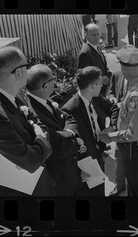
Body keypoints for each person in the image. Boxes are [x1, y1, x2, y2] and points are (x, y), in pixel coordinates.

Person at [0, 46, 56, 196]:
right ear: (18, 73)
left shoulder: (15, 96)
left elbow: (40, 123)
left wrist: (39, 135)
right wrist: (41, 138)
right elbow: (30, 160)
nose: (28, 70)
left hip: (40, 185)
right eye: (27, 66)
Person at [99, 46, 138, 196]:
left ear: (125, 68)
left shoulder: (136, 94)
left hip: (135, 149)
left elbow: (135, 133)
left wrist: (110, 137)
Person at [25, 64, 83, 196]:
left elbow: (69, 118)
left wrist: (69, 132)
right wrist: (77, 141)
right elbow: (58, 147)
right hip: (59, 182)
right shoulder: (34, 113)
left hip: (70, 176)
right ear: (45, 87)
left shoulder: (43, 100)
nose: (55, 82)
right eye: (53, 79)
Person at [62, 66, 119, 196]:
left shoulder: (96, 97)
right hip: (84, 165)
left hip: (99, 156)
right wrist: (76, 172)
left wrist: (112, 127)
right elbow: (67, 144)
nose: (102, 87)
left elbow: (113, 108)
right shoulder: (70, 109)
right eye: (100, 84)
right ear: (93, 86)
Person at [77, 23, 112, 96]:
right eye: (93, 35)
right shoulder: (85, 53)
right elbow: (83, 77)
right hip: (94, 94)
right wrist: (101, 79)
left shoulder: (97, 47)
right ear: (86, 35)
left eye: (97, 34)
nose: (96, 37)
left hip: (101, 92)